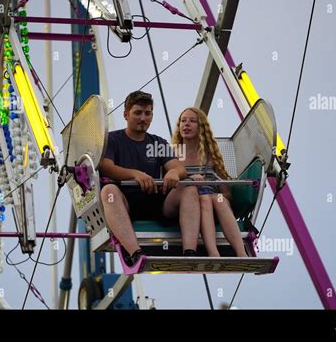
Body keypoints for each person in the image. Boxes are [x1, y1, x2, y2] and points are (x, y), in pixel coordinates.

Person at [99, 91, 201, 267]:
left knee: (189, 188)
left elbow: (178, 167)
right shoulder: (112, 140)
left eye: (148, 113)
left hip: (156, 202)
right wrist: (135, 174)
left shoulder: (158, 143)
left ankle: (190, 253)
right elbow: (106, 166)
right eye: (137, 113)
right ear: (126, 114)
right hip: (126, 204)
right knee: (109, 191)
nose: (143, 118)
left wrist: (173, 173)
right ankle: (135, 253)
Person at [171, 107, 247, 257]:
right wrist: (189, 180)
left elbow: (225, 192)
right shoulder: (172, 153)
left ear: (201, 127)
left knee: (215, 199)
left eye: (192, 121)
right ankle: (213, 253)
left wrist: (218, 197)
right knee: (204, 198)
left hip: (211, 201)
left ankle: (242, 253)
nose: (186, 124)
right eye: (183, 121)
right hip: (185, 200)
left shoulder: (210, 155)